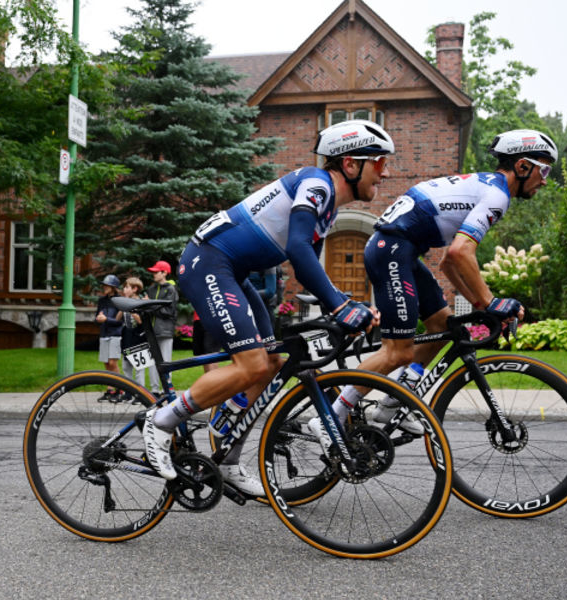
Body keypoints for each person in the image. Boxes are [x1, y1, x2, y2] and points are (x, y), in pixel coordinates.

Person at [142, 120, 386, 495]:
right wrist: (340, 307)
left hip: (232, 271)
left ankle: (228, 458)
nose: (384, 174)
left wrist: (345, 306)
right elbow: (299, 252)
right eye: (379, 163)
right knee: (253, 363)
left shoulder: (328, 207)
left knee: (271, 363)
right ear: (351, 165)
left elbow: (308, 271)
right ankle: (161, 422)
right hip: (208, 262)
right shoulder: (316, 185)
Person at [329, 128, 556, 438]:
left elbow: (450, 263)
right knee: (398, 352)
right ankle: (332, 417)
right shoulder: (498, 194)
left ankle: (393, 403)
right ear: (522, 166)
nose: (545, 179)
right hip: (392, 250)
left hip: (400, 250)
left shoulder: (487, 187)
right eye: (543, 169)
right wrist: (491, 303)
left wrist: (478, 304)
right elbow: (461, 252)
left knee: (445, 327)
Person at [144, 260, 179, 395]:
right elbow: (153, 309)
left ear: (164, 273)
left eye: (156, 272)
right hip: (152, 331)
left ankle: (168, 389)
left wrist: (149, 305)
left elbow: (168, 312)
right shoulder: (151, 289)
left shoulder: (171, 289)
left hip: (165, 331)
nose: (153, 274)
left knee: (165, 361)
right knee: (153, 361)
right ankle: (154, 390)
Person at [95, 274, 124, 401]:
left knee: (113, 362)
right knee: (106, 364)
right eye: (104, 285)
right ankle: (110, 390)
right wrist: (98, 319)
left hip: (115, 334)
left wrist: (106, 319)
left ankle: (120, 388)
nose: (104, 287)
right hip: (104, 334)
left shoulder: (119, 301)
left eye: (107, 285)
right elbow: (97, 317)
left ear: (113, 287)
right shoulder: (102, 301)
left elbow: (119, 321)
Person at [117, 276, 149, 388]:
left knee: (139, 367)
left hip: (138, 336)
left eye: (127, 287)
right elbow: (117, 319)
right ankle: (129, 391)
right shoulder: (125, 302)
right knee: (126, 366)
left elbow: (140, 321)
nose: (124, 290)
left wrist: (130, 309)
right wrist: (122, 306)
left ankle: (140, 391)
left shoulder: (140, 302)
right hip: (127, 335)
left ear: (135, 289)